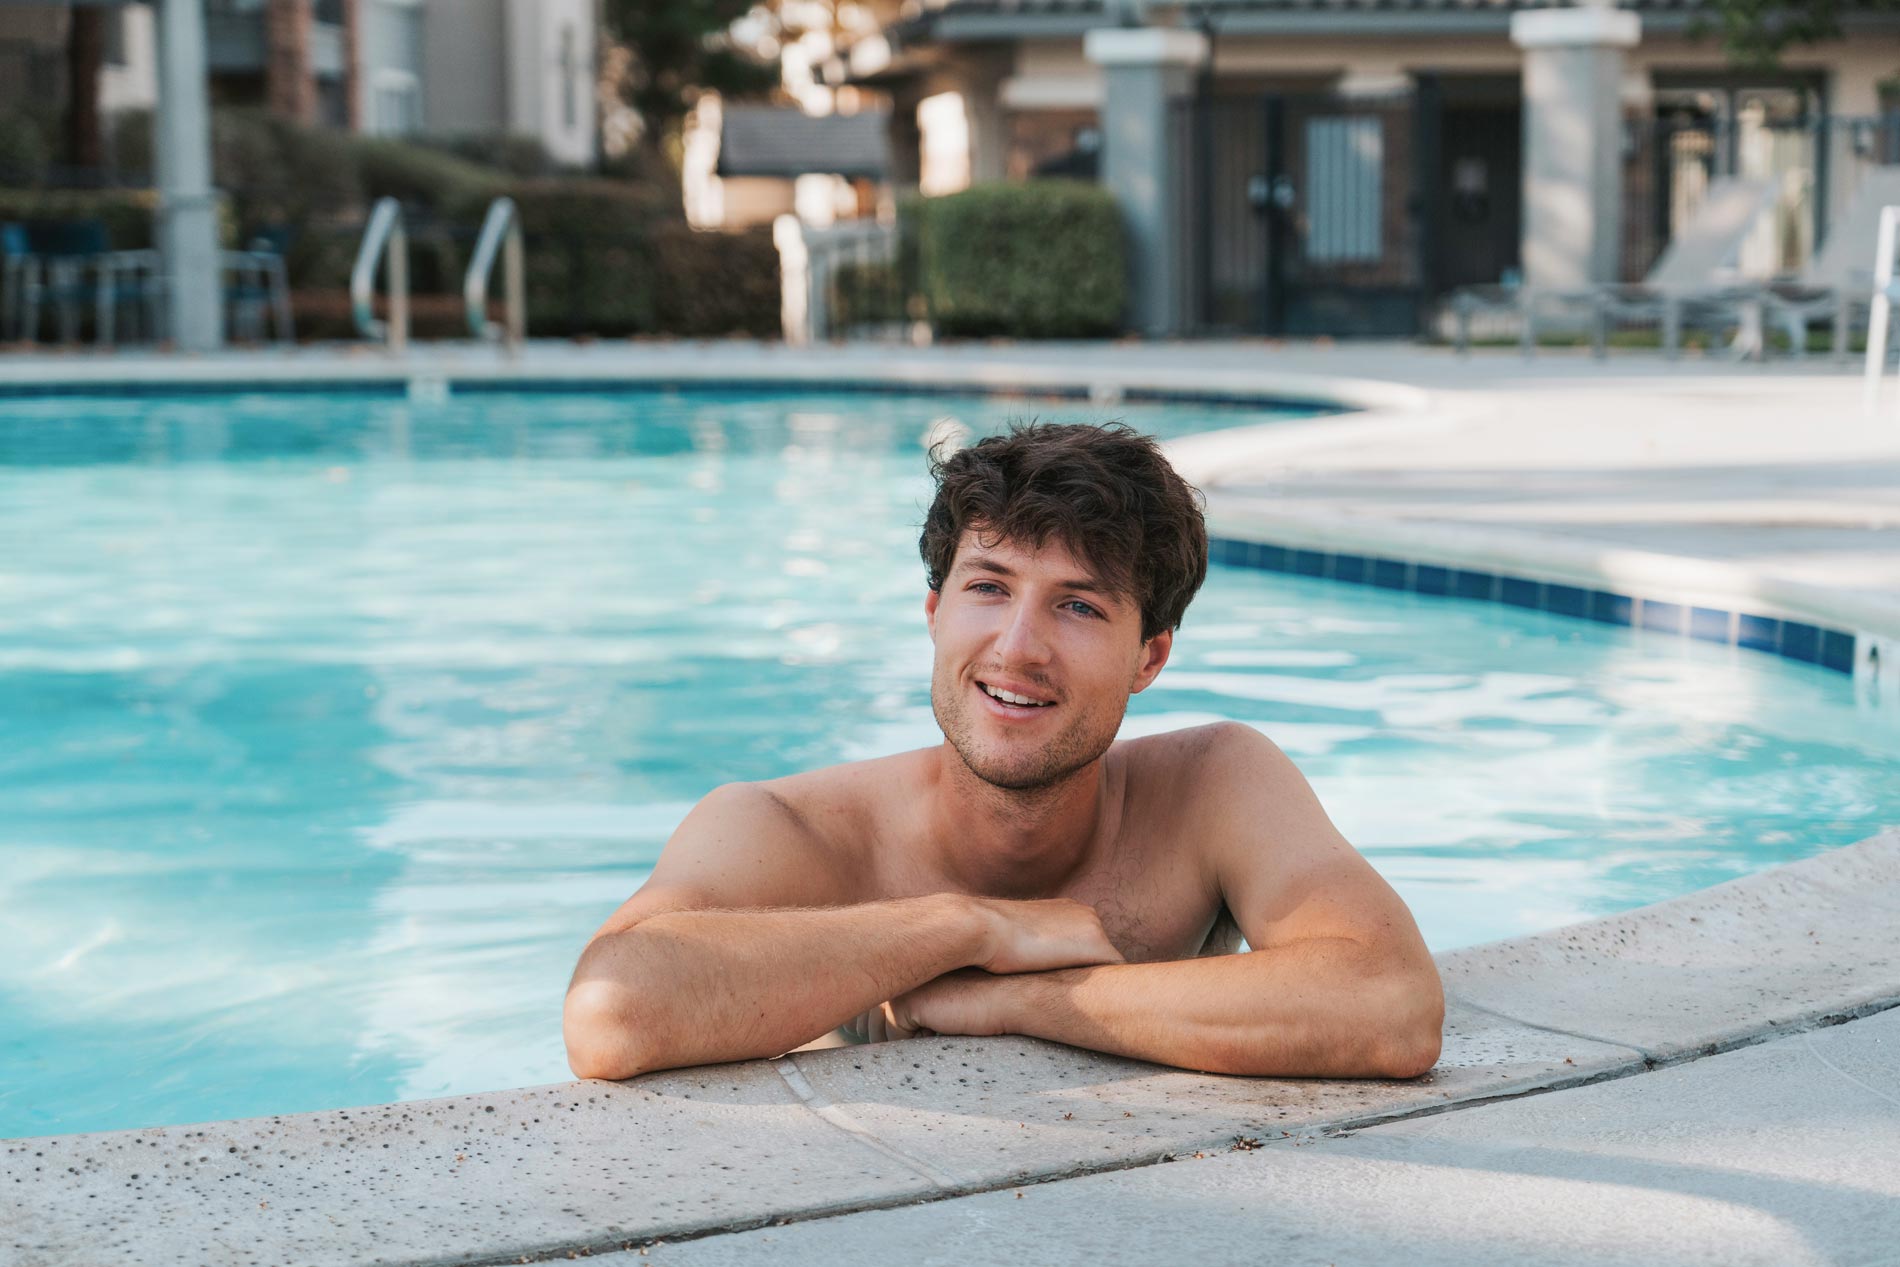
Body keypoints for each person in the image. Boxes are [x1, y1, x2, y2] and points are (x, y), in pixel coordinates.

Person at [563, 421, 1443, 1081]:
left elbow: (1391, 1003)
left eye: (1080, 606)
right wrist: (970, 924)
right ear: (934, 612)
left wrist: (1010, 999)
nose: (1018, 647)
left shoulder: (1216, 785)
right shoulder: (788, 828)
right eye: (988, 587)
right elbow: (612, 1009)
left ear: (1152, 655)